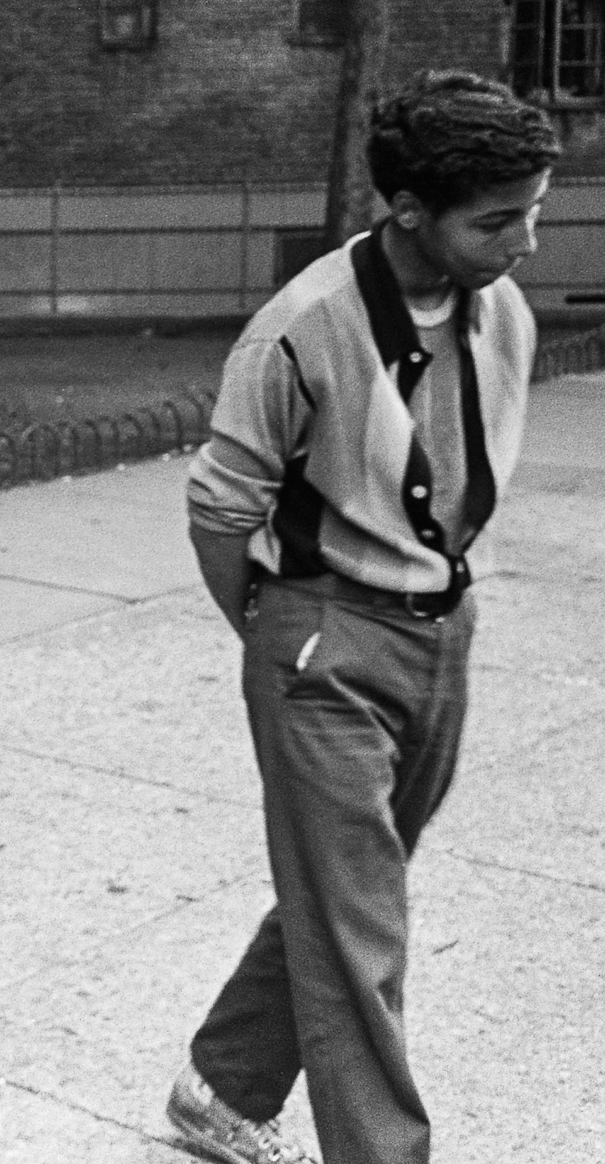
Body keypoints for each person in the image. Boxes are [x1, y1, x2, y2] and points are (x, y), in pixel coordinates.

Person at [168, 70, 558, 1164]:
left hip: (440, 633)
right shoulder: (298, 328)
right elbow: (217, 508)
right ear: (405, 215)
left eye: (532, 208)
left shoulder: (504, 309)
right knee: (359, 928)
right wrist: (269, 625)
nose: (525, 240)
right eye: (496, 220)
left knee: (347, 897)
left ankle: (222, 1086)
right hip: (319, 640)